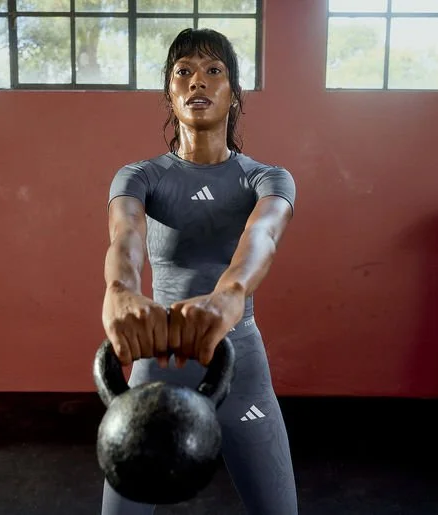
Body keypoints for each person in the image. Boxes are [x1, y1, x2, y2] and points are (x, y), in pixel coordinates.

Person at [100, 27, 299, 514]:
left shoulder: (267, 178)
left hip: (241, 362)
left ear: (234, 95)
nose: (198, 83)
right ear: (170, 92)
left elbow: (264, 235)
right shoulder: (140, 176)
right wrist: (120, 289)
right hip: (157, 367)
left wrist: (228, 294)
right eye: (183, 72)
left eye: (214, 72)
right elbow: (125, 236)